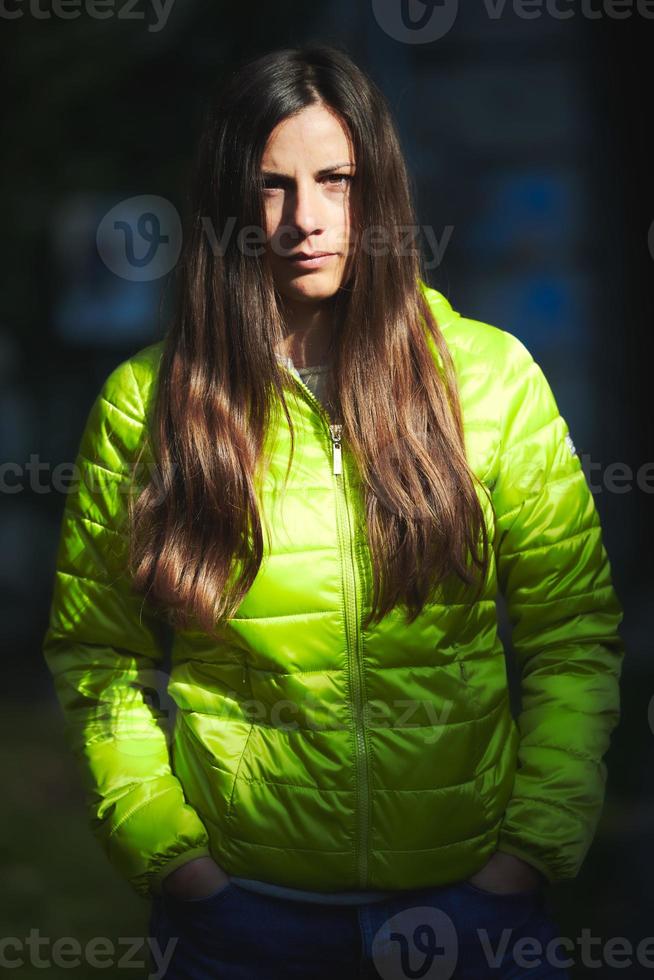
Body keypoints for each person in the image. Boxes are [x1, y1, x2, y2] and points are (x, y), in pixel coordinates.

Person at [42, 43, 625, 980]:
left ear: (379, 192)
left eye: (336, 179)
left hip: (471, 920)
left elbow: (573, 635)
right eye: (271, 186)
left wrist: (522, 865)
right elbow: (99, 660)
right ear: (228, 203)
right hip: (240, 932)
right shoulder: (147, 404)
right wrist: (182, 871)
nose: (305, 219)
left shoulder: (491, 380)